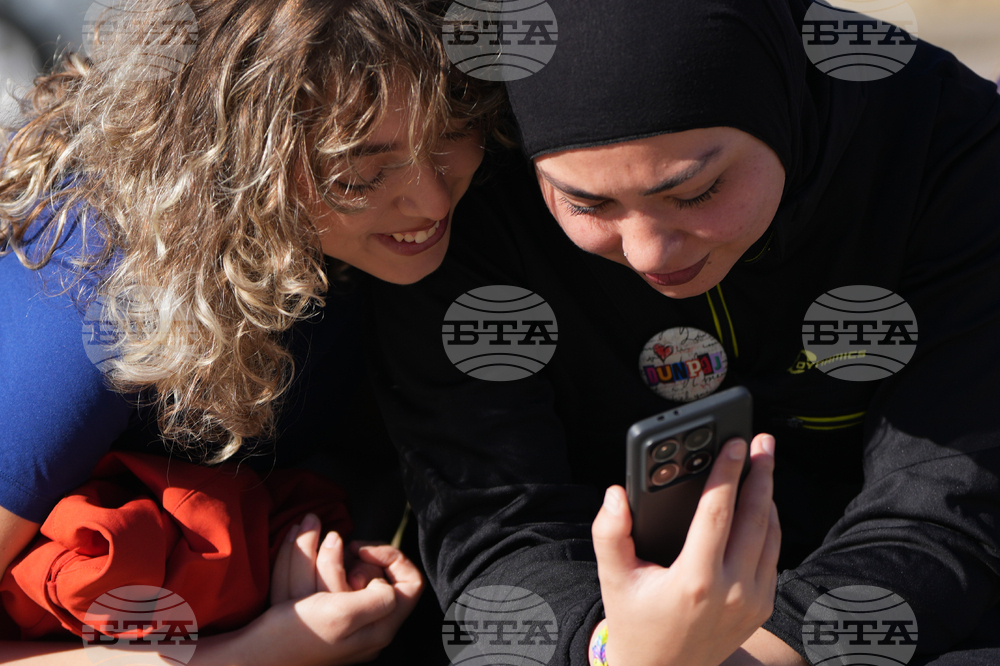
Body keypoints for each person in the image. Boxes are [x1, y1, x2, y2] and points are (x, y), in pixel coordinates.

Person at [366, 0, 1000, 664]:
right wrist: (613, 648)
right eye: (587, 203)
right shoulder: (477, 183)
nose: (650, 253)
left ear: (778, 93)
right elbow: (492, 521)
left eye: (696, 193)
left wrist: (737, 657)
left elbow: (950, 497)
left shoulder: (935, 135)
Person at [0, 0, 500, 663]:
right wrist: (259, 651)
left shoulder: (435, 224)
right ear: (235, 160)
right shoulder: (92, 299)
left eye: (451, 132)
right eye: (361, 171)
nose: (432, 200)